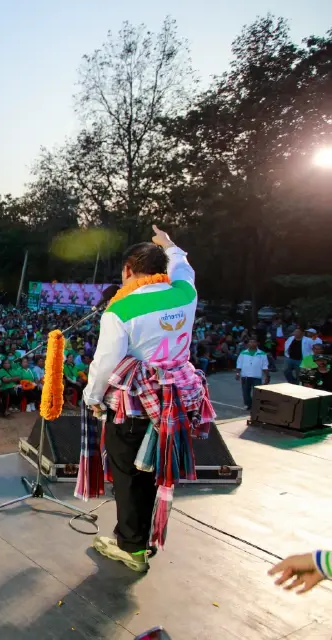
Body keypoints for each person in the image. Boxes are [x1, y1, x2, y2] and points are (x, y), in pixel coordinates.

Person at [82, 225, 213, 573]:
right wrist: (169, 244)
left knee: (127, 473)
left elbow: (106, 362)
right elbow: (185, 269)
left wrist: (92, 396)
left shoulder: (121, 310)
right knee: (153, 468)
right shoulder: (185, 294)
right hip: (175, 400)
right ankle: (139, 537)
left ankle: (131, 546)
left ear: (127, 270)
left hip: (136, 404)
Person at [235, 338, 270, 409]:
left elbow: (265, 366)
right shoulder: (243, 353)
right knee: (245, 392)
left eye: (254, 342)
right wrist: (237, 373)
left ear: (257, 343)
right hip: (245, 376)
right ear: (248, 344)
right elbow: (239, 364)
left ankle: (256, 406)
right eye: (250, 342)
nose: (252, 343)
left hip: (257, 376)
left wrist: (267, 376)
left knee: (257, 392)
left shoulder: (262, 354)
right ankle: (248, 405)